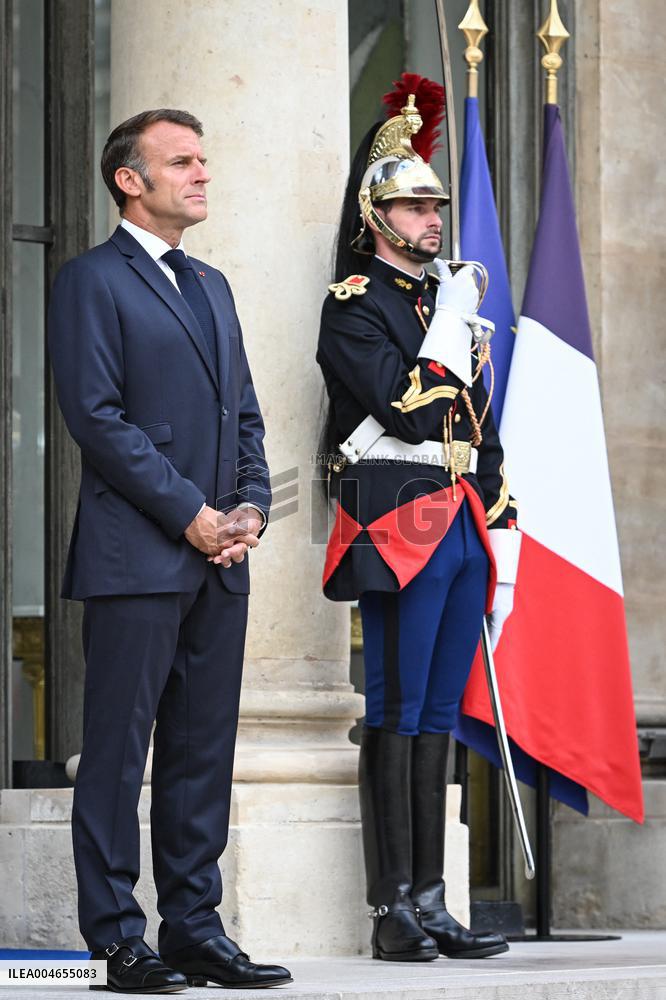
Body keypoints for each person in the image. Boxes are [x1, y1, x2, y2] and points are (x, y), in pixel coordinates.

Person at [48, 109, 291, 992]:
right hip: (136, 557)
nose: (202, 174)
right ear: (130, 179)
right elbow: (97, 419)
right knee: (117, 756)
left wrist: (251, 509)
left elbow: (245, 415)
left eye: (202, 160)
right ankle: (118, 938)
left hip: (220, 561)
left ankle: (194, 929)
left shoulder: (213, 285)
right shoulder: (90, 280)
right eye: (181, 161)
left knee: (201, 755)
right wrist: (192, 513)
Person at [317, 75, 520, 962]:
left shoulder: (444, 305)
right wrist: (450, 326)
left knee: (439, 709)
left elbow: (477, 423)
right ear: (376, 216)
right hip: (396, 518)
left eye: (436, 206)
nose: (432, 219)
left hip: (461, 520)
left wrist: (503, 515)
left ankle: (433, 898)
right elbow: (405, 410)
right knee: (396, 707)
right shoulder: (356, 305)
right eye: (412, 206)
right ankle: (390, 906)